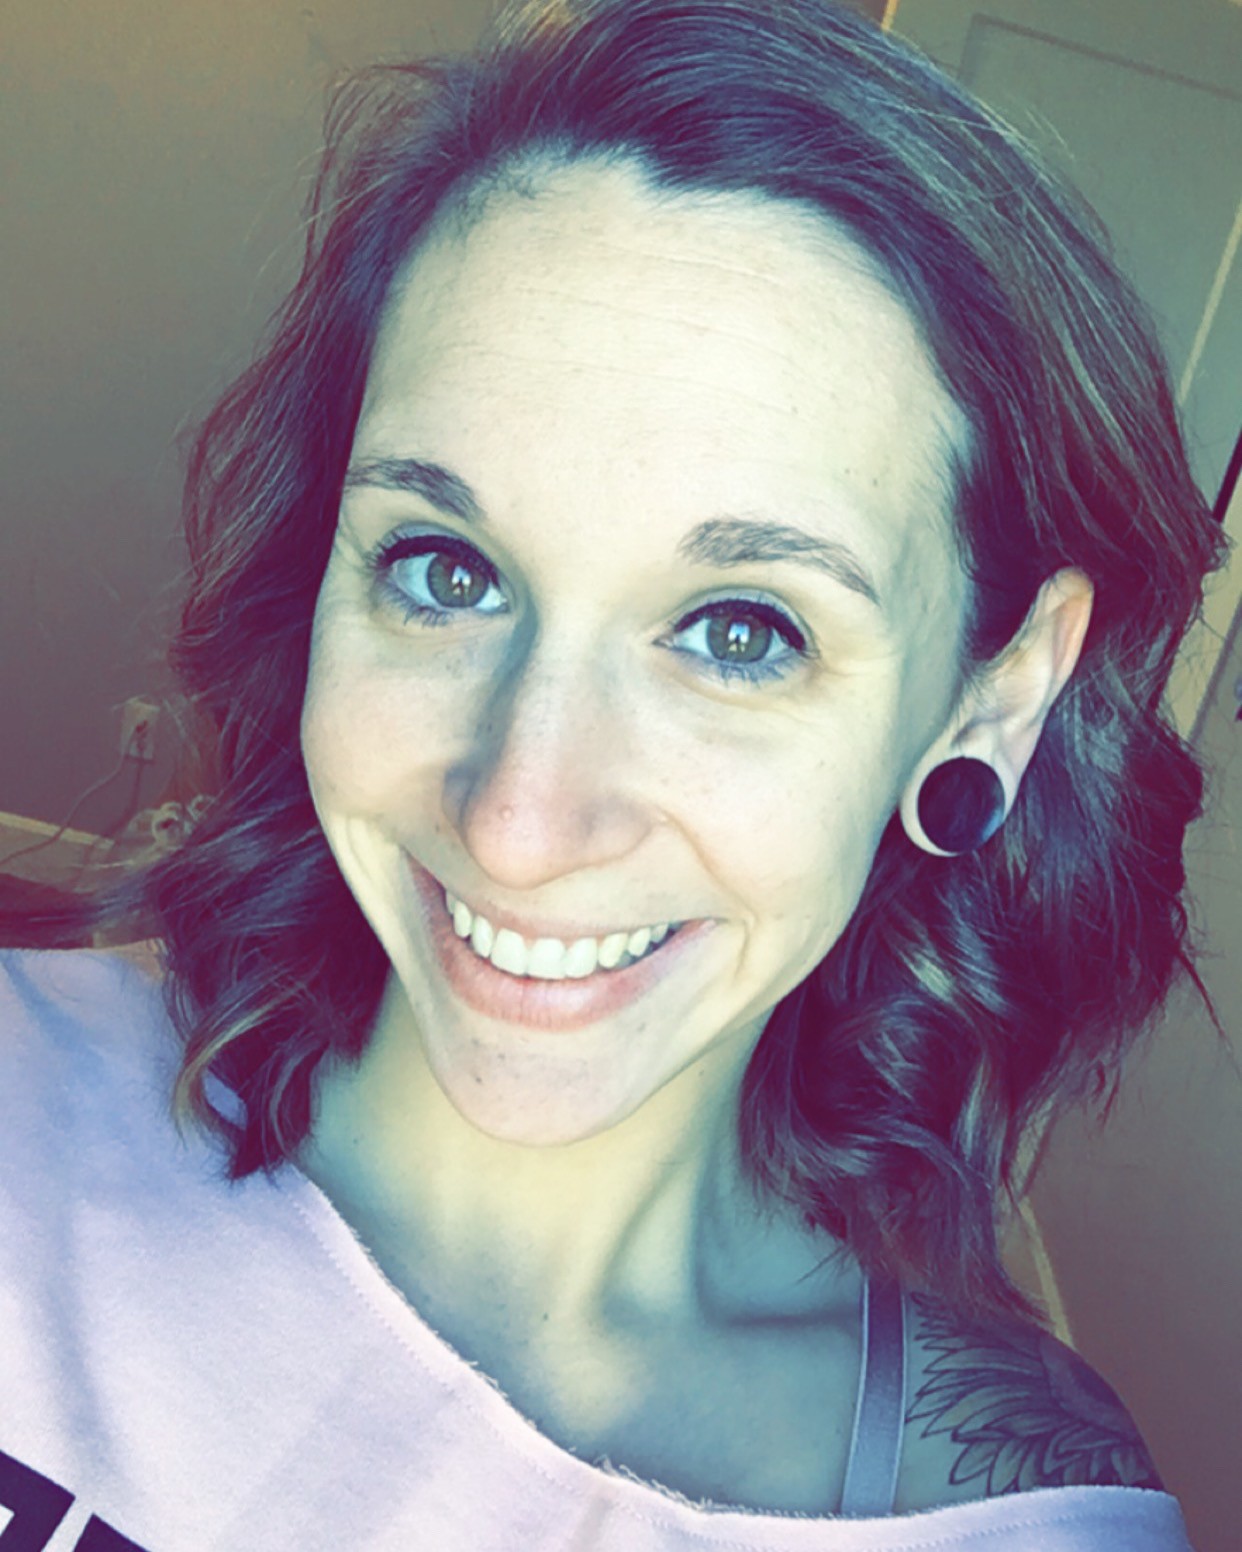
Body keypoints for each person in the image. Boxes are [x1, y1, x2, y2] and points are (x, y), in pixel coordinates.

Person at [0, 0, 1229, 1546]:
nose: (519, 821)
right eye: (444, 571)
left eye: (740, 632)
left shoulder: (1014, 1521)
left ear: (994, 697)